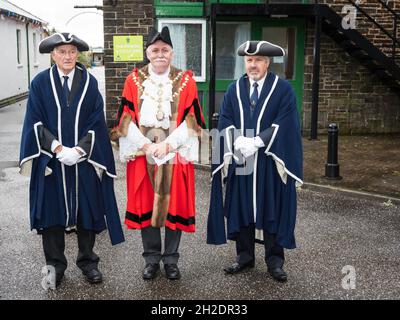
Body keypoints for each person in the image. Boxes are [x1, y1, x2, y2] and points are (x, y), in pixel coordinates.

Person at [19, 32, 125, 288]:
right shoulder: (40, 83)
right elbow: (35, 120)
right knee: (51, 214)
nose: (67, 56)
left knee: (87, 211)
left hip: (82, 160)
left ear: (78, 54)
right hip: (52, 161)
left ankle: (89, 263)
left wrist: (78, 151)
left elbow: (96, 121)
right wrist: (56, 147)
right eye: (61, 52)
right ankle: (55, 266)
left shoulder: (89, 82)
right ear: (53, 55)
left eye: (71, 51)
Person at [110, 27, 205, 280]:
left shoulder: (186, 80)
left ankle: (171, 259)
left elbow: (193, 120)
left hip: (175, 152)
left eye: (165, 50)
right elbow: (125, 120)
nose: (160, 54)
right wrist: (147, 146)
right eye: (155, 50)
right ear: (147, 53)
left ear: (172, 54)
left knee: (175, 205)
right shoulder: (133, 80)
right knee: (145, 206)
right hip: (144, 154)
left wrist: (169, 144)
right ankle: (151, 258)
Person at [207, 40, 303, 282]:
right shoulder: (234, 89)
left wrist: (258, 142)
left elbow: (286, 122)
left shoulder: (283, 89)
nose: (253, 65)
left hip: (269, 161)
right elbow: (225, 119)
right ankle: (244, 257)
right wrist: (237, 140)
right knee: (241, 208)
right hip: (242, 160)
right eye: (249, 60)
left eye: (258, 60)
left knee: (271, 208)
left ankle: (274, 261)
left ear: (267, 63)